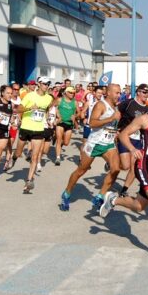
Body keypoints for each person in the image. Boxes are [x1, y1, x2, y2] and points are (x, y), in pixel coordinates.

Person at [100, 86, 148, 260]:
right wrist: (132, 149)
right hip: (144, 165)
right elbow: (123, 135)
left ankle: (114, 199)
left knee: (139, 206)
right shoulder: (145, 119)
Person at [60, 83, 123, 212]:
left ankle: (100, 197)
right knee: (81, 171)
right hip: (95, 143)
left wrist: (116, 130)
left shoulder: (115, 106)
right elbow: (92, 123)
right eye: (117, 93)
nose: (119, 95)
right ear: (109, 93)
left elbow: (112, 124)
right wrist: (111, 118)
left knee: (116, 169)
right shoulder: (101, 105)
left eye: (120, 93)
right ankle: (66, 193)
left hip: (108, 144)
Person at [14, 76, 54, 194]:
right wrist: (29, 108)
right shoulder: (30, 95)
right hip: (26, 127)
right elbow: (18, 109)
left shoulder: (48, 98)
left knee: (35, 156)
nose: (46, 86)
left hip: (38, 129)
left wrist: (49, 119)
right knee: (19, 152)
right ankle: (14, 157)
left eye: (48, 84)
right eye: (44, 84)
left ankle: (29, 180)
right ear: (39, 84)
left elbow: (47, 108)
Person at [115, 84, 148, 198]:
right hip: (125, 137)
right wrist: (115, 128)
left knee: (133, 167)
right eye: (144, 92)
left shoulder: (147, 109)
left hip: (137, 140)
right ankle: (113, 160)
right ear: (138, 92)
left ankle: (124, 190)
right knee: (125, 166)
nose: (146, 95)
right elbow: (116, 113)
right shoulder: (128, 103)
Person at [54, 86, 79, 165]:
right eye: (70, 92)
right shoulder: (60, 100)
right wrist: (57, 115)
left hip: (69, 123)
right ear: (66, 93)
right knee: (59, 140)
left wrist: (75, 116)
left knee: (66, 143)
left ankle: (59, 142)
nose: (72, 94)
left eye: (73, 93)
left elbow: (80, 113)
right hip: (60, 122)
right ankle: (58, 158)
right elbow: (52, 107)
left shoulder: (75, 102)